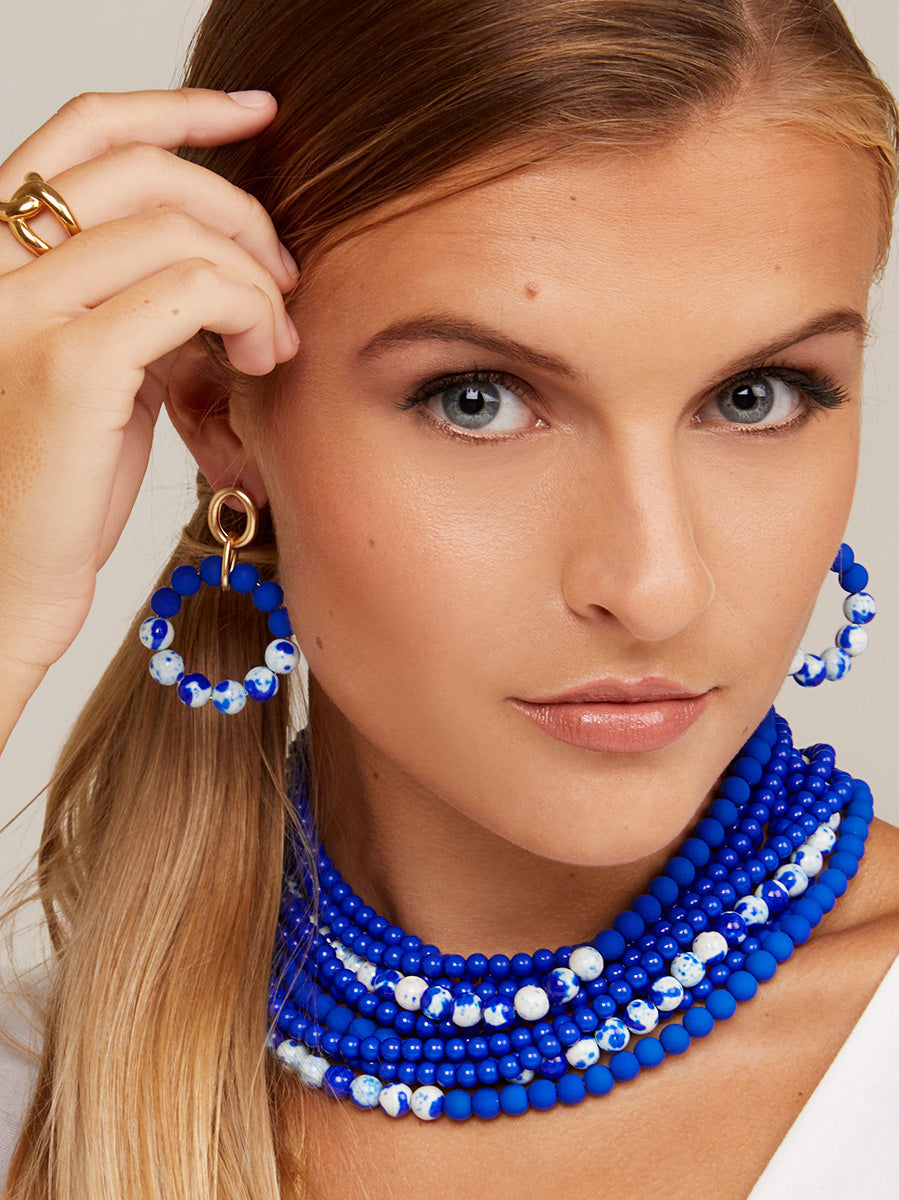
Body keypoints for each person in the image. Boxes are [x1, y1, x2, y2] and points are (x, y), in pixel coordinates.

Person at [1, 0, 898, 1196]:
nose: (653, 587)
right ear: (220, 414)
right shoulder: (36, 1078)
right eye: (477, 399)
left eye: (757, 396)